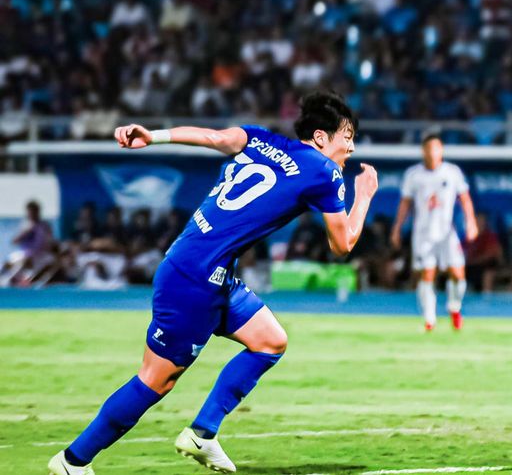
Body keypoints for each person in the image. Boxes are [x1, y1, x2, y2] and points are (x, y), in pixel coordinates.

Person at [49, 91, 379, 475]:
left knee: (270, 340)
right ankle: (74, 461)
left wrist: (152, 136)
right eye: (348, 136)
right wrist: (365, 195)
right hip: (196, 280)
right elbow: (343, 244)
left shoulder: (260, 138)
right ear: (321, 137)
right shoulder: (325, 173)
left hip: (203, 269)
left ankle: (203, 433)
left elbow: (211, 138)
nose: (352, 146)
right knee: (155, 381)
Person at [390, 133, 478, 331]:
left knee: (458, 274)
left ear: (442, 150)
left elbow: (464, 198)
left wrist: (471, 222)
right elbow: (405, 203)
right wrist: (397, 228)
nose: (433, 152)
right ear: (423, 151)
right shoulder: (414, 175)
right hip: (423, 235)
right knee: (427, 275)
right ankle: (430, 320)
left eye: (436, 148)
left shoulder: (452, 172)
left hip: (447, 232)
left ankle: (454, 306)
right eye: (429, 148)